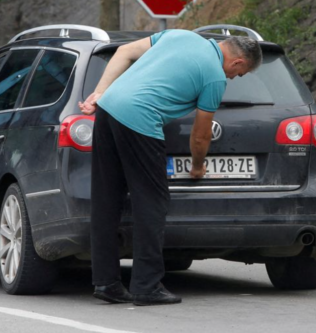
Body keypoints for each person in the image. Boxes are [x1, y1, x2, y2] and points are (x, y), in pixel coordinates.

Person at [78, 29, 262, 306]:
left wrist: (99, 93)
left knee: (107, 199)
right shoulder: (214, 76)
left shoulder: (179, 35)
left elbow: (123, 52)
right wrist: (197, 167)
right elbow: (200, 135)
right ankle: (146, 286)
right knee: (152, 202)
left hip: (107, 109)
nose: (234, 77)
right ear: (237, 62)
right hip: (138, 120)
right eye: (241, 73)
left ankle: (106, 283)